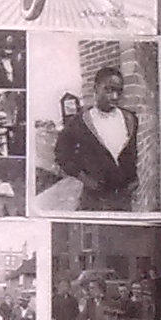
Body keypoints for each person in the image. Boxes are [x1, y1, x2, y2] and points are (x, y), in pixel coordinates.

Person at [54, 65, 139, 212]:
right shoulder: (79, 122)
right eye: (108, 90)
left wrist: (133, 180)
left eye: (118, 91)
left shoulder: (130, 119)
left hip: (124, 199)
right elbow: (61, 154)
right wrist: (85, 178)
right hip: (95, 200)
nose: (114, 96)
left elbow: (132, 152)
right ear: (96, 88)